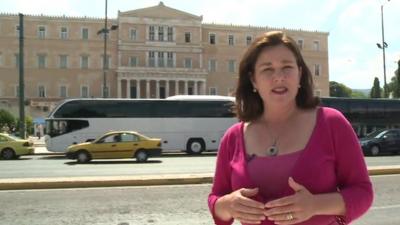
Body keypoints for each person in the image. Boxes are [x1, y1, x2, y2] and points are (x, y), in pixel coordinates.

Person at [208, 31, 373, 225]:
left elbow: (362, 192)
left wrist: (315, 205)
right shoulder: (233, 137)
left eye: (287, 67)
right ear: (253, 80)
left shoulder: (331, 123)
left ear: (300, 74)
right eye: (267, 69)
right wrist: (227, 205)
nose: (279, 77)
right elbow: (216, 199)